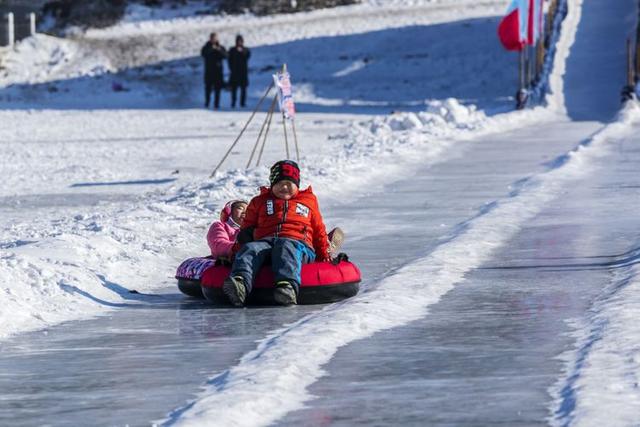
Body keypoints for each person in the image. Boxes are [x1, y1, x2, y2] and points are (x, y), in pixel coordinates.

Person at [223, 160, 331, 307]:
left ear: (297, 185)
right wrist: (235, 253)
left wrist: (324, 255)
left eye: (289, 183)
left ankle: (286, 286)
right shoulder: (259, 201)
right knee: (251, 249)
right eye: (279, 184)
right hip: (266, 243)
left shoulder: (308, 201)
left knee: (285, 245)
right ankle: (240, 283)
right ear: (272, 184)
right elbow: (245, 232)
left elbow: (319, 230)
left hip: (299, 245)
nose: (284, 187)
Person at [201, 32, 227, 109]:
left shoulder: (221, 47)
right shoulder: (206, 47)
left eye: (215, 38)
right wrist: (211, 49)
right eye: (212, 38)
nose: (214, 39)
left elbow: (226, 56)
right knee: (208, 89)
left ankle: (216, 104)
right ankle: (207, 103)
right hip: (209, 71)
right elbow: (203, 54)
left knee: (217, 89)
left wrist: (218, 50)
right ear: (210, 38)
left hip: (218, 72)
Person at [227, 34, 251, 108]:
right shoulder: (232, 50)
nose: (239, 42)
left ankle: (242, 103)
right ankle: (233, 103)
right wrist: (231, 68)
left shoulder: (246, 49)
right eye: (238, 41)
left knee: (243, 89)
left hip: (243, 73)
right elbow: (229, 60)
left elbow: (247, 56)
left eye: (240, 41)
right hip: (234, 73)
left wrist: (241, 51)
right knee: (234, 89)